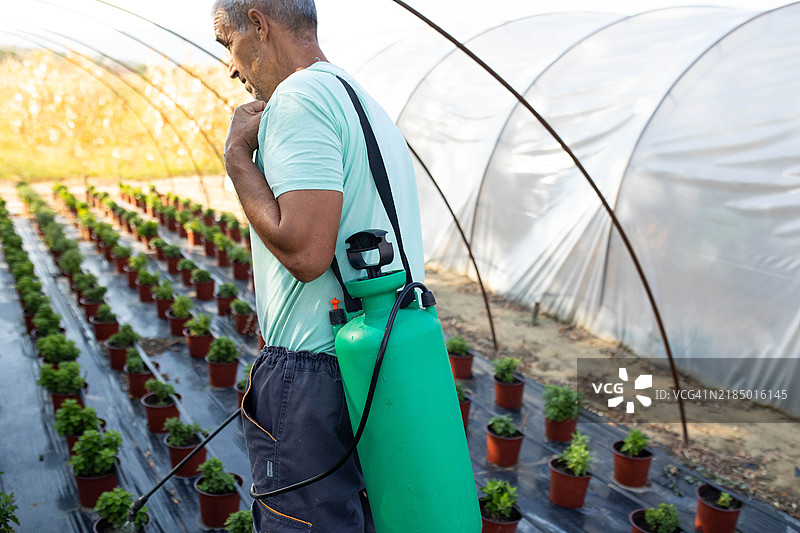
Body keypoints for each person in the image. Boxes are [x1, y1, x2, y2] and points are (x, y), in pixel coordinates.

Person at [212, 0, 424, 531]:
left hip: (315, 373)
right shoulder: (361, 100)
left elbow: (306, 253)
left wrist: (237, 157)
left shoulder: (299, 98)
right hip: (383, 354)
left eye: (228, 44)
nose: (231, 67)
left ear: (258, 25)